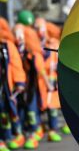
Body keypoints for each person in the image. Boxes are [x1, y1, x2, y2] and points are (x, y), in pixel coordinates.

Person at [0, 18, 26, 151]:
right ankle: (5, 137)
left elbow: (16, 65)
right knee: (2, 114)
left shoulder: (8, 45)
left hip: (7, 86)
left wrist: (20, 82)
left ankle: (17, 134)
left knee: (11, 111)